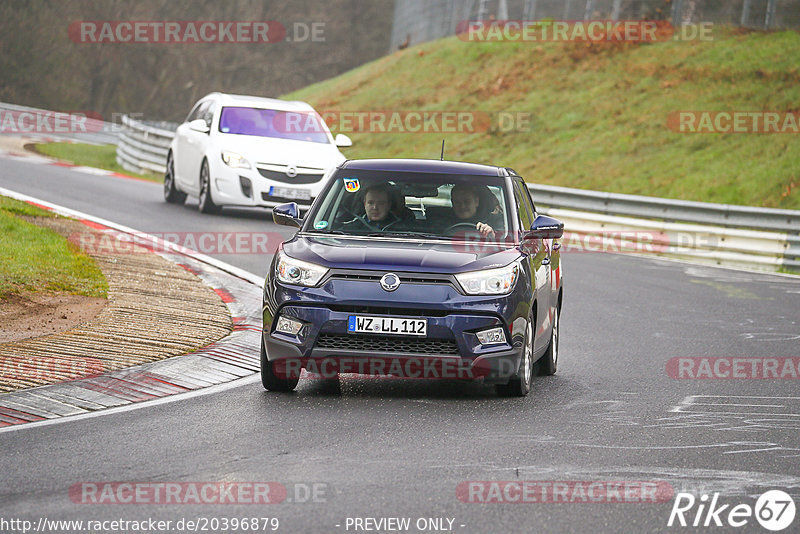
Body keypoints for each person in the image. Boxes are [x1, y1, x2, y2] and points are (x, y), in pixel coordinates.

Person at [341, 183, 411, 232]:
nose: (375, 207)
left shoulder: (402, 230)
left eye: (381, 203)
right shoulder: (349, 229)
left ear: (389, 205)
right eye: (370, 203)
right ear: (365, 204)